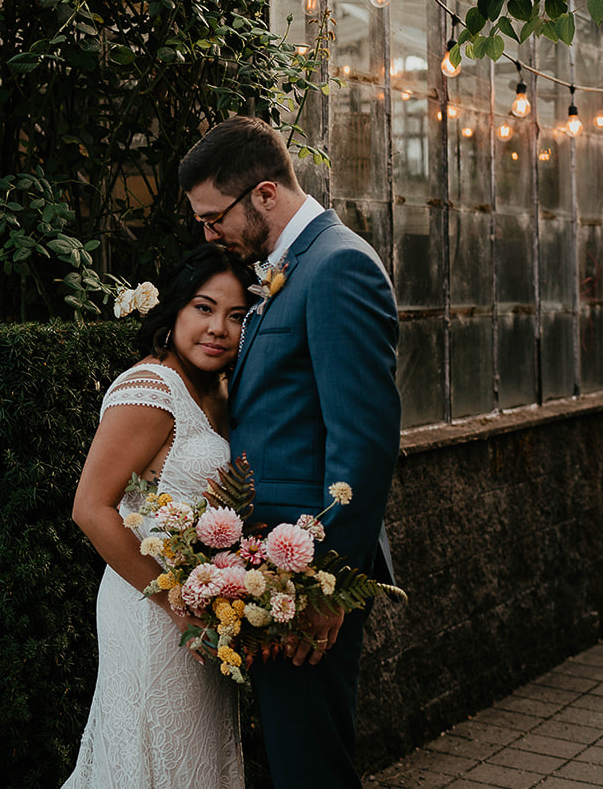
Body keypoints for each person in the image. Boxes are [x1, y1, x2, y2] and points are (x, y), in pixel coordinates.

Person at [178, 115, 400, 789]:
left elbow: (362, 442)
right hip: (271, 573)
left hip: (307, 581)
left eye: (215, 216)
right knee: (295, 758)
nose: (209, 232)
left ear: (266, 195)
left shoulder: (339, 267)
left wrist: (324, 581)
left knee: (312, 766)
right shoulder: (286, 271)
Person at [64, 243, 253, 789]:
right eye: (203, 307)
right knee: (154, 753)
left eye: (236, 316)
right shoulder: (150, 390)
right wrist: (173, 603)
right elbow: (91, 509)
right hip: (151, 606)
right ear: (172, 311)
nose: (218, 327)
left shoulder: (217, 389)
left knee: (197, 752)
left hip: (202, 605)